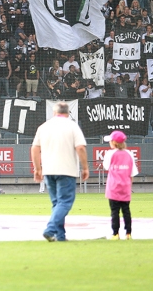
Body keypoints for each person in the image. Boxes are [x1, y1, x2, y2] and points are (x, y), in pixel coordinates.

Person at [31, 101, 89, 242]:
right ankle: (50, 229)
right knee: (65, 203)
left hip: (49, 170)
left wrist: (38, 168)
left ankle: (60, 236)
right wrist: (85, 167)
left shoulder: (44, 127)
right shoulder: (72, 126)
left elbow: (34, 149)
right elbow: (80, 148)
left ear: (54, 112)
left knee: (57, 204)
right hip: (67, 169)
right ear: (68, 113)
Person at [103, 131, 138, 240]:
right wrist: (128, 184)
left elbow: (106, 167)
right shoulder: (129, 154)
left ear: (113, 142)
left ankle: (115, 233)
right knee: (126, 211)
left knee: (114, 212)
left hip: (113, 188)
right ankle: (128, 233)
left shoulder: (110, 154)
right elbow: (132, 172)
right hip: (125, 187)